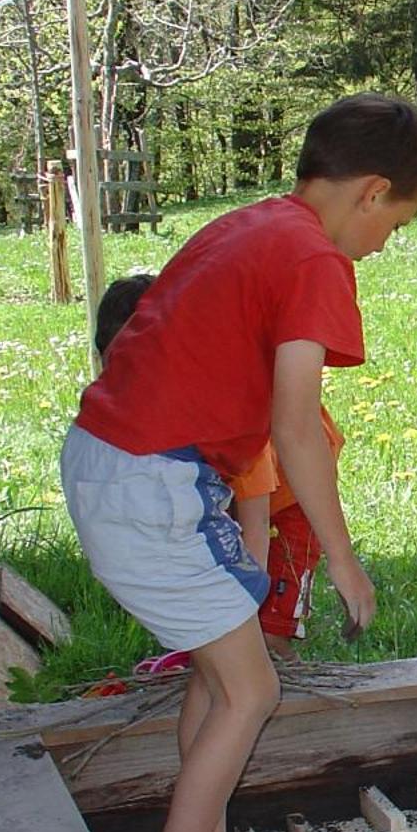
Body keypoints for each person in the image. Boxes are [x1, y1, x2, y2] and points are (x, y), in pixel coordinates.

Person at [61, 93, 417, 832]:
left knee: (218, 673)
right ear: (373, 191)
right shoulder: (314, 259)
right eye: (396, 225)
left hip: (121, 462)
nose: (383, 245)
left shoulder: (255, 223)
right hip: (154, 479)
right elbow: (296, 422)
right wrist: (343, 561)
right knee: (250, 689)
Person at [97, 273, 346, 663]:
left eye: (149, 364)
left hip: (292, 500)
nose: (137, 382)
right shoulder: (136, 417)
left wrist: (238, 613)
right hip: (226, 496)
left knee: (266, 629)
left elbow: (256, 526)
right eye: (122, 371)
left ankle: (281, 681)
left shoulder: (233, 417)